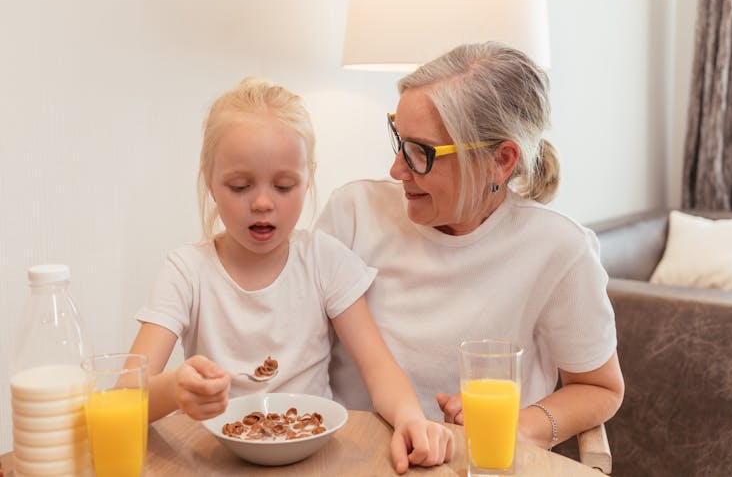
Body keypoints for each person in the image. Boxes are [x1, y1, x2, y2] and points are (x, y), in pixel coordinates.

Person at [128, 77, 454, 473]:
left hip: (316, 460)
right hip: (214, 462)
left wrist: (411, 419)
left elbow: (380, 370)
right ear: (211, 183)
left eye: (284, 186)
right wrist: (173, 390)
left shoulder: (324, 260)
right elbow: (121, 399)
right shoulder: (186, 272)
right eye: (240, 185)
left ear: (307, 180)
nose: (263, 203)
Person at [316, 42, 625, 450]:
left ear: (501, 160)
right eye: (399, 140)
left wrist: (521, 425)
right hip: (349, 459)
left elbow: (600, 389)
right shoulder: (352, 214)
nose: (396, 169)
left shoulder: (559, 250)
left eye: (420, 153)